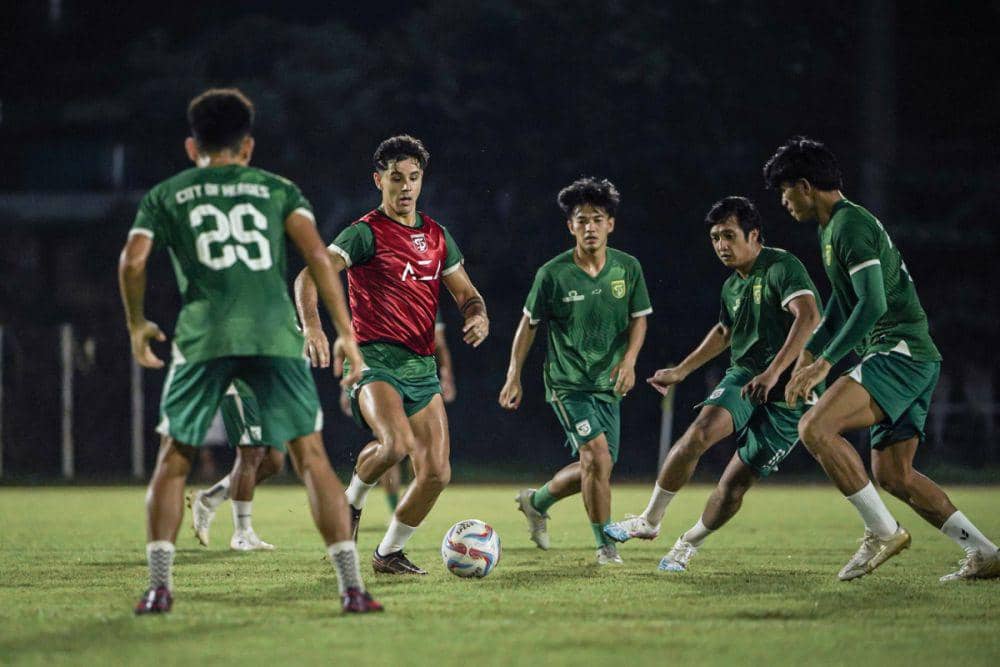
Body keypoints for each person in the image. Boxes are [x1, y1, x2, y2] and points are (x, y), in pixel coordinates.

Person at [119, 88, 382, 614]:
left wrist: (137, 324)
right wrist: (344, 332)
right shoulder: (277, 188)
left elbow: (132, 261)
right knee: (311, 458)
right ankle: (352, 590)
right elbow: (317, 256)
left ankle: (159, 589)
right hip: (274, 337)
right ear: (247, 147)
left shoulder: (167, 194)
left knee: (174, 458)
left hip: (204, 336)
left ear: (192, 146)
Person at [764, 136, 1000, 581]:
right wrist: (811, 351)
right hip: (913, 356)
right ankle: (985, 552)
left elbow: (872, 304)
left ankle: (882, 531)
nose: (783, 201)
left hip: (899, 351)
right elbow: (842, 304)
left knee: (815, 427)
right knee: (894, 474)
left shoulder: (849, 226)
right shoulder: (831, 228)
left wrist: (824, 363)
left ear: (805, 186)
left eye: (784, 190)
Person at [296, 135, 488, 575]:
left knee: (437, 473)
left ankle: (388, 553)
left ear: (422, 181)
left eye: (414, 178)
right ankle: (351, 501)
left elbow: (468, 295)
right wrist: (312, 325)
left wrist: (478, 316)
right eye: (396, 178)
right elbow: (309, 275)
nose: (406, 187)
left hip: (421, 366)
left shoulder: (437, 237)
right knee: (396, 444)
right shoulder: (364, 233)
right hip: (373, 360)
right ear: (378, 180)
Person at [606, 196, 821, 571]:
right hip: (746, 375)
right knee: (698, 433)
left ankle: (688, 543)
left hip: (791, 392)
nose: (721, 245)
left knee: (735, 483)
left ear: (754, 235)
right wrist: (681, 371)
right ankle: (649, 520)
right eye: (715, 237)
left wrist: (774, 373)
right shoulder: (732, 286)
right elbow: (724, 331)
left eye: (729, 235)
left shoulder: (782, 267)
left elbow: (809, 316)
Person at [499, 177, 650, 565]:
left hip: (609, 384)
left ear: (610, 224)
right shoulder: (553, 274)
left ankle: (536, 502)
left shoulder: (628, 268)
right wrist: (514, 374)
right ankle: (606, 546)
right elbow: (528, 324)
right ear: (570, 226)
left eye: (597, 219)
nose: (590, 227)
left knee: (597, 465)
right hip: (567, 384)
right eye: (582, 220)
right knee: (596, 458)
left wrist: (630, 360)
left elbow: (639, 318)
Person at [337, 311, 457, 515]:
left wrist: (446, 376)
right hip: (379, 374)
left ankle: (407, 506)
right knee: (394, 446)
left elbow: (440, 343)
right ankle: (391, 506)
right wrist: (346, 384)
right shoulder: (373, 299)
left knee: (425, 458)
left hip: (417, 378)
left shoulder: (426, 300)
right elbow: (347, 340)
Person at [187, 381, 286, 550]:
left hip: (272, 389)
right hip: (243, 384)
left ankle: (208, 499)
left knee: (274, 462)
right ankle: (242, 533)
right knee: (250, 454)